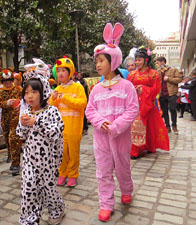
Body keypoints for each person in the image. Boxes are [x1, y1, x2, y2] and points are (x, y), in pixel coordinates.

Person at [85, 22, 139, 222]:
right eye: (96, 61)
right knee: (103, 170)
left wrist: (116, 126)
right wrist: (100, 122)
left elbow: (133, 109)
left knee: (123, 166)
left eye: (101, 60)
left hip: (121, 136)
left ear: (113, 60)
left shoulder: (126, 87)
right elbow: (89, 110)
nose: (97, 65)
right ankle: (106, 203)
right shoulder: (96, 89)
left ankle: (126, 189)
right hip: (101, 139)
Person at [17, 58, 65, 225]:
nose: (30, 96)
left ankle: (57, 209)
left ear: (43, 91)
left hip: (49, 161)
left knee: (48, 189)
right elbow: (20, 135)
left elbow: (56, 132)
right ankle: (29, 219)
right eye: (27, 92)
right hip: (30, 159)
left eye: (34, 92)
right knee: (28, 188)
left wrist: (35, 123)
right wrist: (23, 125)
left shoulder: (52, 111)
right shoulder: (25, 112)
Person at [49, 56, 87, 187]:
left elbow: (82, 103)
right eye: (58, 71)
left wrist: (65, 98)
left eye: (63, 71)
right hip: (60, 127)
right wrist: (53, 99)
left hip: (74, 127)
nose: (60, 74)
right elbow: (51, 108)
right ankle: (62, 173)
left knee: (73, 152)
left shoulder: (77, 87)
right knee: (61, 152)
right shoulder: (57, 89)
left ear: (70, 72)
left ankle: (73, 175)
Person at [127, 47, 169, 159]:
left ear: (146, 60)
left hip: (148, 102)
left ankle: (149, 145)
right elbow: (127, 88)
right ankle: (135, 149)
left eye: (139, 60)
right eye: (135, 60)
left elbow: (156, 89)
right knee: (136, 126)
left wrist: (144, 90)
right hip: (135, 103)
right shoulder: (131, 74)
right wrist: (135, 90)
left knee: (149, 126)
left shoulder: (154, 74)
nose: (136, 62)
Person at [0, 68, 22, 176]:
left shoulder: (18, 90)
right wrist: (6, 103)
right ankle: (10, 155)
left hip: (15, 118)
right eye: (5, 82)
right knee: (7, 138)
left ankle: (16, 163)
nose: (7, 84)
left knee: (13, 139)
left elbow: (23, 101)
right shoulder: (0, 91)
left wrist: (18, 104)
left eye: (9, 81)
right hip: (5, 118)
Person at [156, 56, 182, 134]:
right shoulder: (158, 72)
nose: (157, 64)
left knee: (173, 109)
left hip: (172, 93)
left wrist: (169, 79)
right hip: (162, 94)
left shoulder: (173, 69)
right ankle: (167, 126)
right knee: (164, 111)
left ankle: (174, 126)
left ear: (163, 62)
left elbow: (179, 79)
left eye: (158, 63)